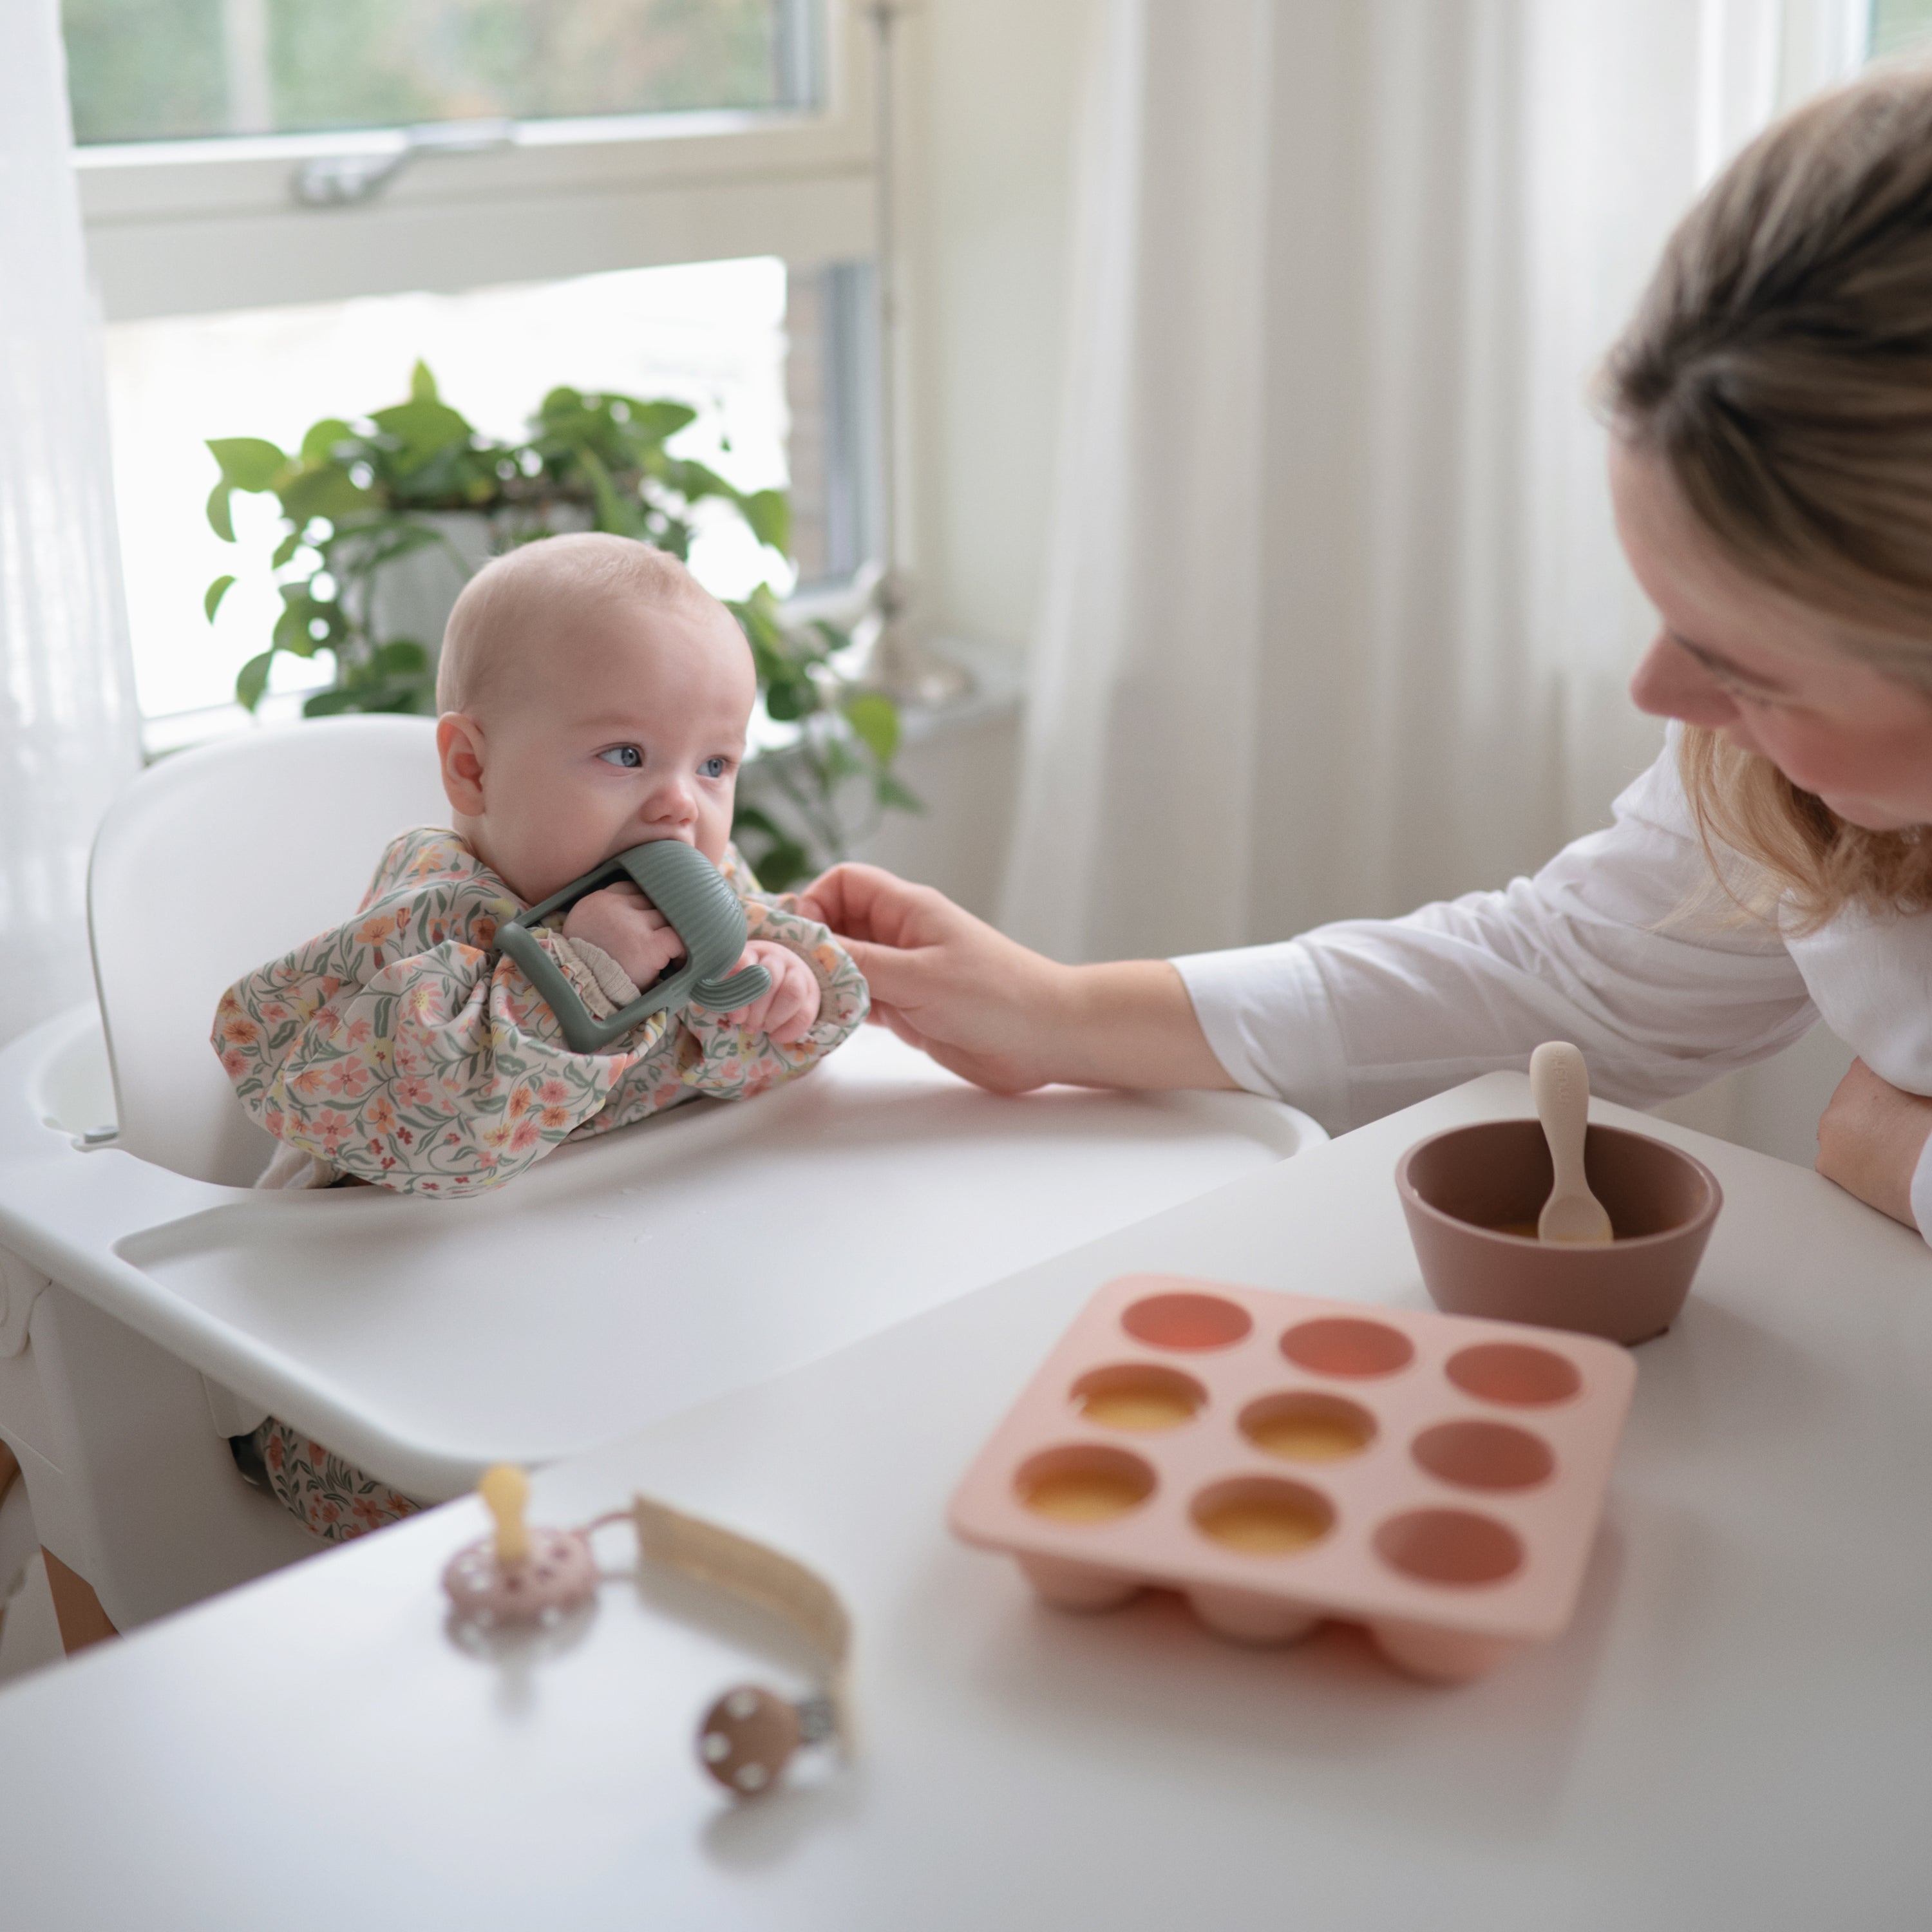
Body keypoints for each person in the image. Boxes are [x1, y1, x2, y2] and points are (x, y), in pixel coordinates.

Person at [799, 62, 1932, 1246]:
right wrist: (1061, 1013)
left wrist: (1902, 1156)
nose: (1661, 692)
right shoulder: (1763, 775)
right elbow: (1569, 975)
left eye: (1752, 669)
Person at [210, 533, 869, 1536]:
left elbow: (780, 1028)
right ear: (471, 769)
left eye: (716, 763)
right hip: (373, 1337)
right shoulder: (432, 916)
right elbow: (438, 1114)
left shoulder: (700, 892)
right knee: (471, 1515)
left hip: (601, 1291)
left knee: (774, 1406)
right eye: (625, 755)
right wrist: (575, 973)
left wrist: (775, 996)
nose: (680, 804)